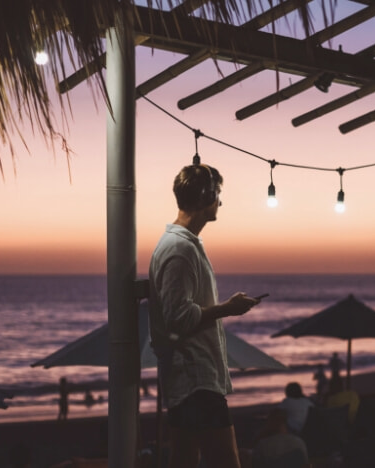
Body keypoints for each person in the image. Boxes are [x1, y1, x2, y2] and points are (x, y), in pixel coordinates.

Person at [148, 164, 262, 468]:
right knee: (226, 461)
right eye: (218, 195)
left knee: (184, 459)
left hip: (189, 377)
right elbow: (178, 317)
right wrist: (228, 308)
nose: (220, 203)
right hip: (195, 378)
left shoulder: (183, 245)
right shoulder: (179, 250)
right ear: (206, 196)